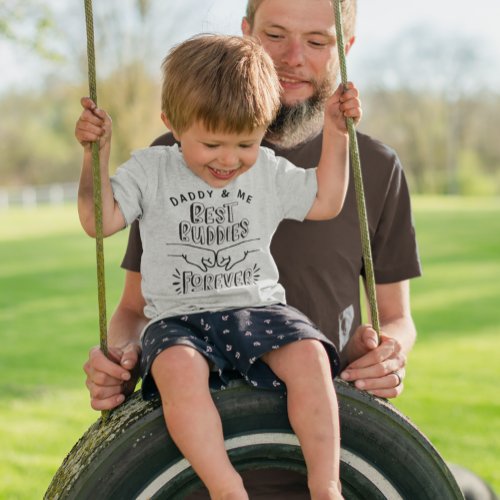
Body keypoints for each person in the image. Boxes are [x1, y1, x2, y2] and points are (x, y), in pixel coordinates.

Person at [82, 0, 421, 495]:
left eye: (317, 41)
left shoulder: (371, 166)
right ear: (246, 32)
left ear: (345, 50)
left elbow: (398, 319)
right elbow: (134, 308)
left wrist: (391, 355)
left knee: (306, 357)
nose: (292, 57)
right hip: (192, 469)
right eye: (276, 34)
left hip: (331, 452)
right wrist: (120, 356)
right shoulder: (170, 160)